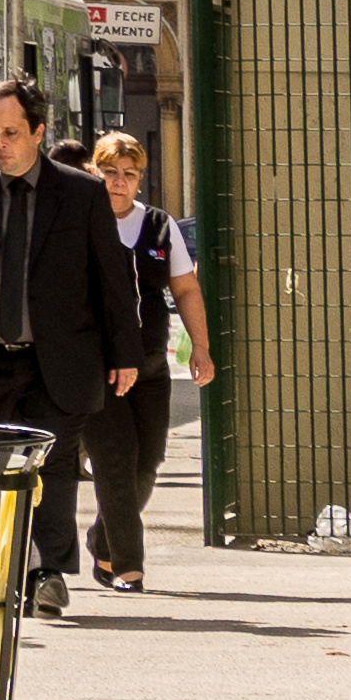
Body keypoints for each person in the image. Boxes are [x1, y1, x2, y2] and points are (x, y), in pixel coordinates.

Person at [0, 80, 144, 616]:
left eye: (12, 134)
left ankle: (49, 574)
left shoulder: (82, 194)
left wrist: (125, 353)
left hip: (60, 359)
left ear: (39, 132)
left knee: (55, 470)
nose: (0, 144)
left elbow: (112, 277)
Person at [84, 130, 208, 595]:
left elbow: (186, 289)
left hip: (150, 364)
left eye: (129, 175)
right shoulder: (79, 222)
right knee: (114, 463)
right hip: (97, 368)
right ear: (95, 172)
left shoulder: (158, 225)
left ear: (140, 180)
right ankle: (128, 568)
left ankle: (101, 537)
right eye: (110, 172)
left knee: (147, 462)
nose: (118, 182)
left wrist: (201, 347)